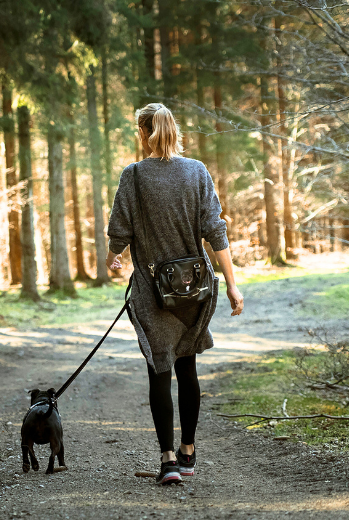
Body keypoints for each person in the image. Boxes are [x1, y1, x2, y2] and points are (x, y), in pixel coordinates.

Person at [106, 103, 244, 485]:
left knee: (159, 371)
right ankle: (188, 452)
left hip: (153, 290)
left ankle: (167, 459)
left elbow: (119, 233)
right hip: (196, 288)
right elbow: (216, 232)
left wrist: (112, 260)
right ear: (173, 130)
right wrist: (231, 283)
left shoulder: (133, 177)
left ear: (142, 132)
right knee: (188, 368)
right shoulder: (197, 172)